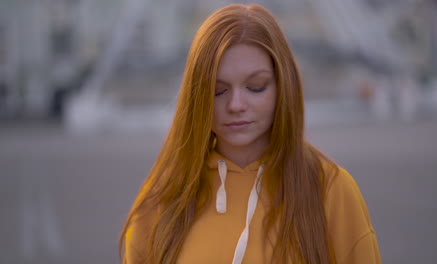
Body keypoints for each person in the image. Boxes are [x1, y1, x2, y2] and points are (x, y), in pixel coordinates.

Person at [120, 4, 381, 264]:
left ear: (283, 86)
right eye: (217, 90)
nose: (235, 105)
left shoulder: (331, 191)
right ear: (196, 95)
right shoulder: (162, 199)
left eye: (256, 87)